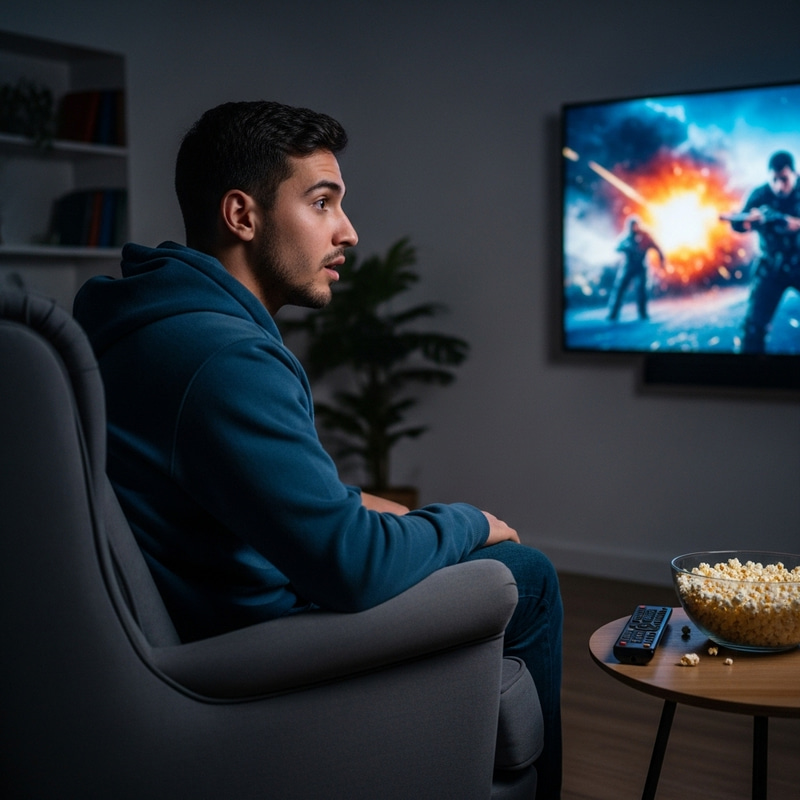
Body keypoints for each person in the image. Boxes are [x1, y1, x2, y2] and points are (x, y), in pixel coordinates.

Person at [73, 100, 562, 798]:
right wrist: (468, 522)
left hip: (213, 614)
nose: (348, 232)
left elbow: (243, 499)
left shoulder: (147, 325)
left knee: (405, 523)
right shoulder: (227, 359)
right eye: (322, 202)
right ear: (242, 216)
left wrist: (370, 507)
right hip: (259, 648)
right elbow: (349, 567)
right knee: (527, 575)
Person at [727, 150, 800, 353]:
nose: (779, 186)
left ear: (794, 174)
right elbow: (738, 222)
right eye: (774, 180)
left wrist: (792, 223)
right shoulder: (760, 194)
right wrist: (748, 223)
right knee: (753, 328)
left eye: (784, 179)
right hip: (771, 267)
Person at [607, 216, 665, 321]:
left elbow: (657, 248)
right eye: (631, 225)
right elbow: (617, 247)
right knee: (620, 289)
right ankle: (613, 313)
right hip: (628, 267)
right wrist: (626, 248)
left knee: (641, 290)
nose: (633, 227)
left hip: (640, 267)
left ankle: (642, 313)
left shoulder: (645, 237)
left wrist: (662, 261)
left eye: (635, 225)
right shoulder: (626, 237)